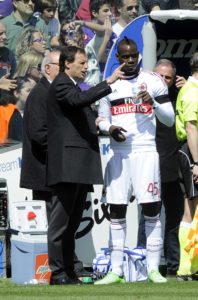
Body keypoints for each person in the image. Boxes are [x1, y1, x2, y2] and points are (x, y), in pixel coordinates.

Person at [94, 37, 175, 285]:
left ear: (138, 55)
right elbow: (101, 120)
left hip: (145, 151)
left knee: (151, 209)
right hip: (119, 153)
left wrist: (153, 103)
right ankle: (116, 270)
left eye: (133, 56)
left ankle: (153, 269)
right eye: (125, 57)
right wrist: (111, 128)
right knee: (116, 210)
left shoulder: (153, 81)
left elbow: (169, 119)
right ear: (118, 58)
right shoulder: (110, 85)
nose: (129, 61)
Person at [46, 45, 124, 285]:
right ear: (66, 63)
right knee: (60, 223)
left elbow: (82, 109)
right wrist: (108, 81)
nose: (86, 66)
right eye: (81, 63)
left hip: (79, 164)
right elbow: (78, 101)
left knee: (71, 223)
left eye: (86, 62)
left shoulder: (72, 85)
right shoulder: (61, 83)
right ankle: (58, 272)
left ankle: (69, 270)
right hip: (68, 164)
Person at [137, 59, 185, 277]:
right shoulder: (139, 96)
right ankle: (140, 264)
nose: (163, 81)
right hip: (148, 165)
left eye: (168, 77)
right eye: (160, 76)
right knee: (147, 219)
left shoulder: (179, 97)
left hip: (173, 167)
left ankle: (174, 266)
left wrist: (190, 89)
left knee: (174, 219)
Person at [20, 49, 61, 219]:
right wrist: (65, 150)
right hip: (44, 175)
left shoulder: (54, 91)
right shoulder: (39, 94)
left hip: (54, 174)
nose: (66, 68)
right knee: (51, 227)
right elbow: (39, 133)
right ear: (48, 68)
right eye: (61, 65)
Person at [175, 52, 198, 281]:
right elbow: (191, 128)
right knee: (191, 209)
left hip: (192, 151)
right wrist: (197, 161)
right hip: (192, 151)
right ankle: (186, 267)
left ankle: (190, 266)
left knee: (193, 209)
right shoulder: (192, 92)